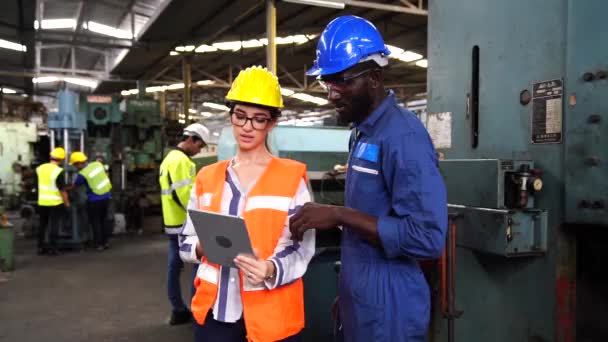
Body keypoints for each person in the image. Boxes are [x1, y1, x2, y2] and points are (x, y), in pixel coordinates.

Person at [289, 15, 448, 342]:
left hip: (390, 306)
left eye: (342, 81)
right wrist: (349, 296)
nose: (331, 94)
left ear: (375, 77)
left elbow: (427, 237)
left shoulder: (403, 137)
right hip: (361, 298)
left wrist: (337, 215)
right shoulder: (361, 133)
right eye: (327, 82)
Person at [179, 66, 315, 342]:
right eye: (240, 116)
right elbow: (185, 239)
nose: (247, 127)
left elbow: (303, 247)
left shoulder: (291, 179)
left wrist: (271, 268)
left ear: (272, 122)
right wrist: (201, 247)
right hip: (216, 314)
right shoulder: (208, 177)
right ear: (231, 116)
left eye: (258, 119)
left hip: (270, 316)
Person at [159, 122, 209, 325]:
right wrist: (203, 220)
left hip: (173, 222)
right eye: (200, 145)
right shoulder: (182, 162)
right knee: (199, 265)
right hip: (184, 225)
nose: (199, 150)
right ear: (190, 139)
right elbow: (186, 197)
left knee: (175, 267)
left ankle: (178, 308)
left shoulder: (169, 159)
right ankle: (195, 311)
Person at [68, 151, 112, 251]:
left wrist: (64, 189)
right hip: (106, 197)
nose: (75, 167)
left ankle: (98, 244)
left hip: (94, 199)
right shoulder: (97, 164)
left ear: (79, 163)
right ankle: (105, 243)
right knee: (103, 220)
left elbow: (74, 186)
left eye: (75, 165)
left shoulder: (82, 174)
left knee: (95, 222)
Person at [36, 147, 70, 255]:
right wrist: (67, 203)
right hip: (55, 203)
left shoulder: (40, 168)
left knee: (42, 225)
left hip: (42, 201)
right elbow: (62, 190)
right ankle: (53, 248)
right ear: (61, 160)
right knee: (54, 225)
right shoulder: (58, 171)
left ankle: (40, 247)